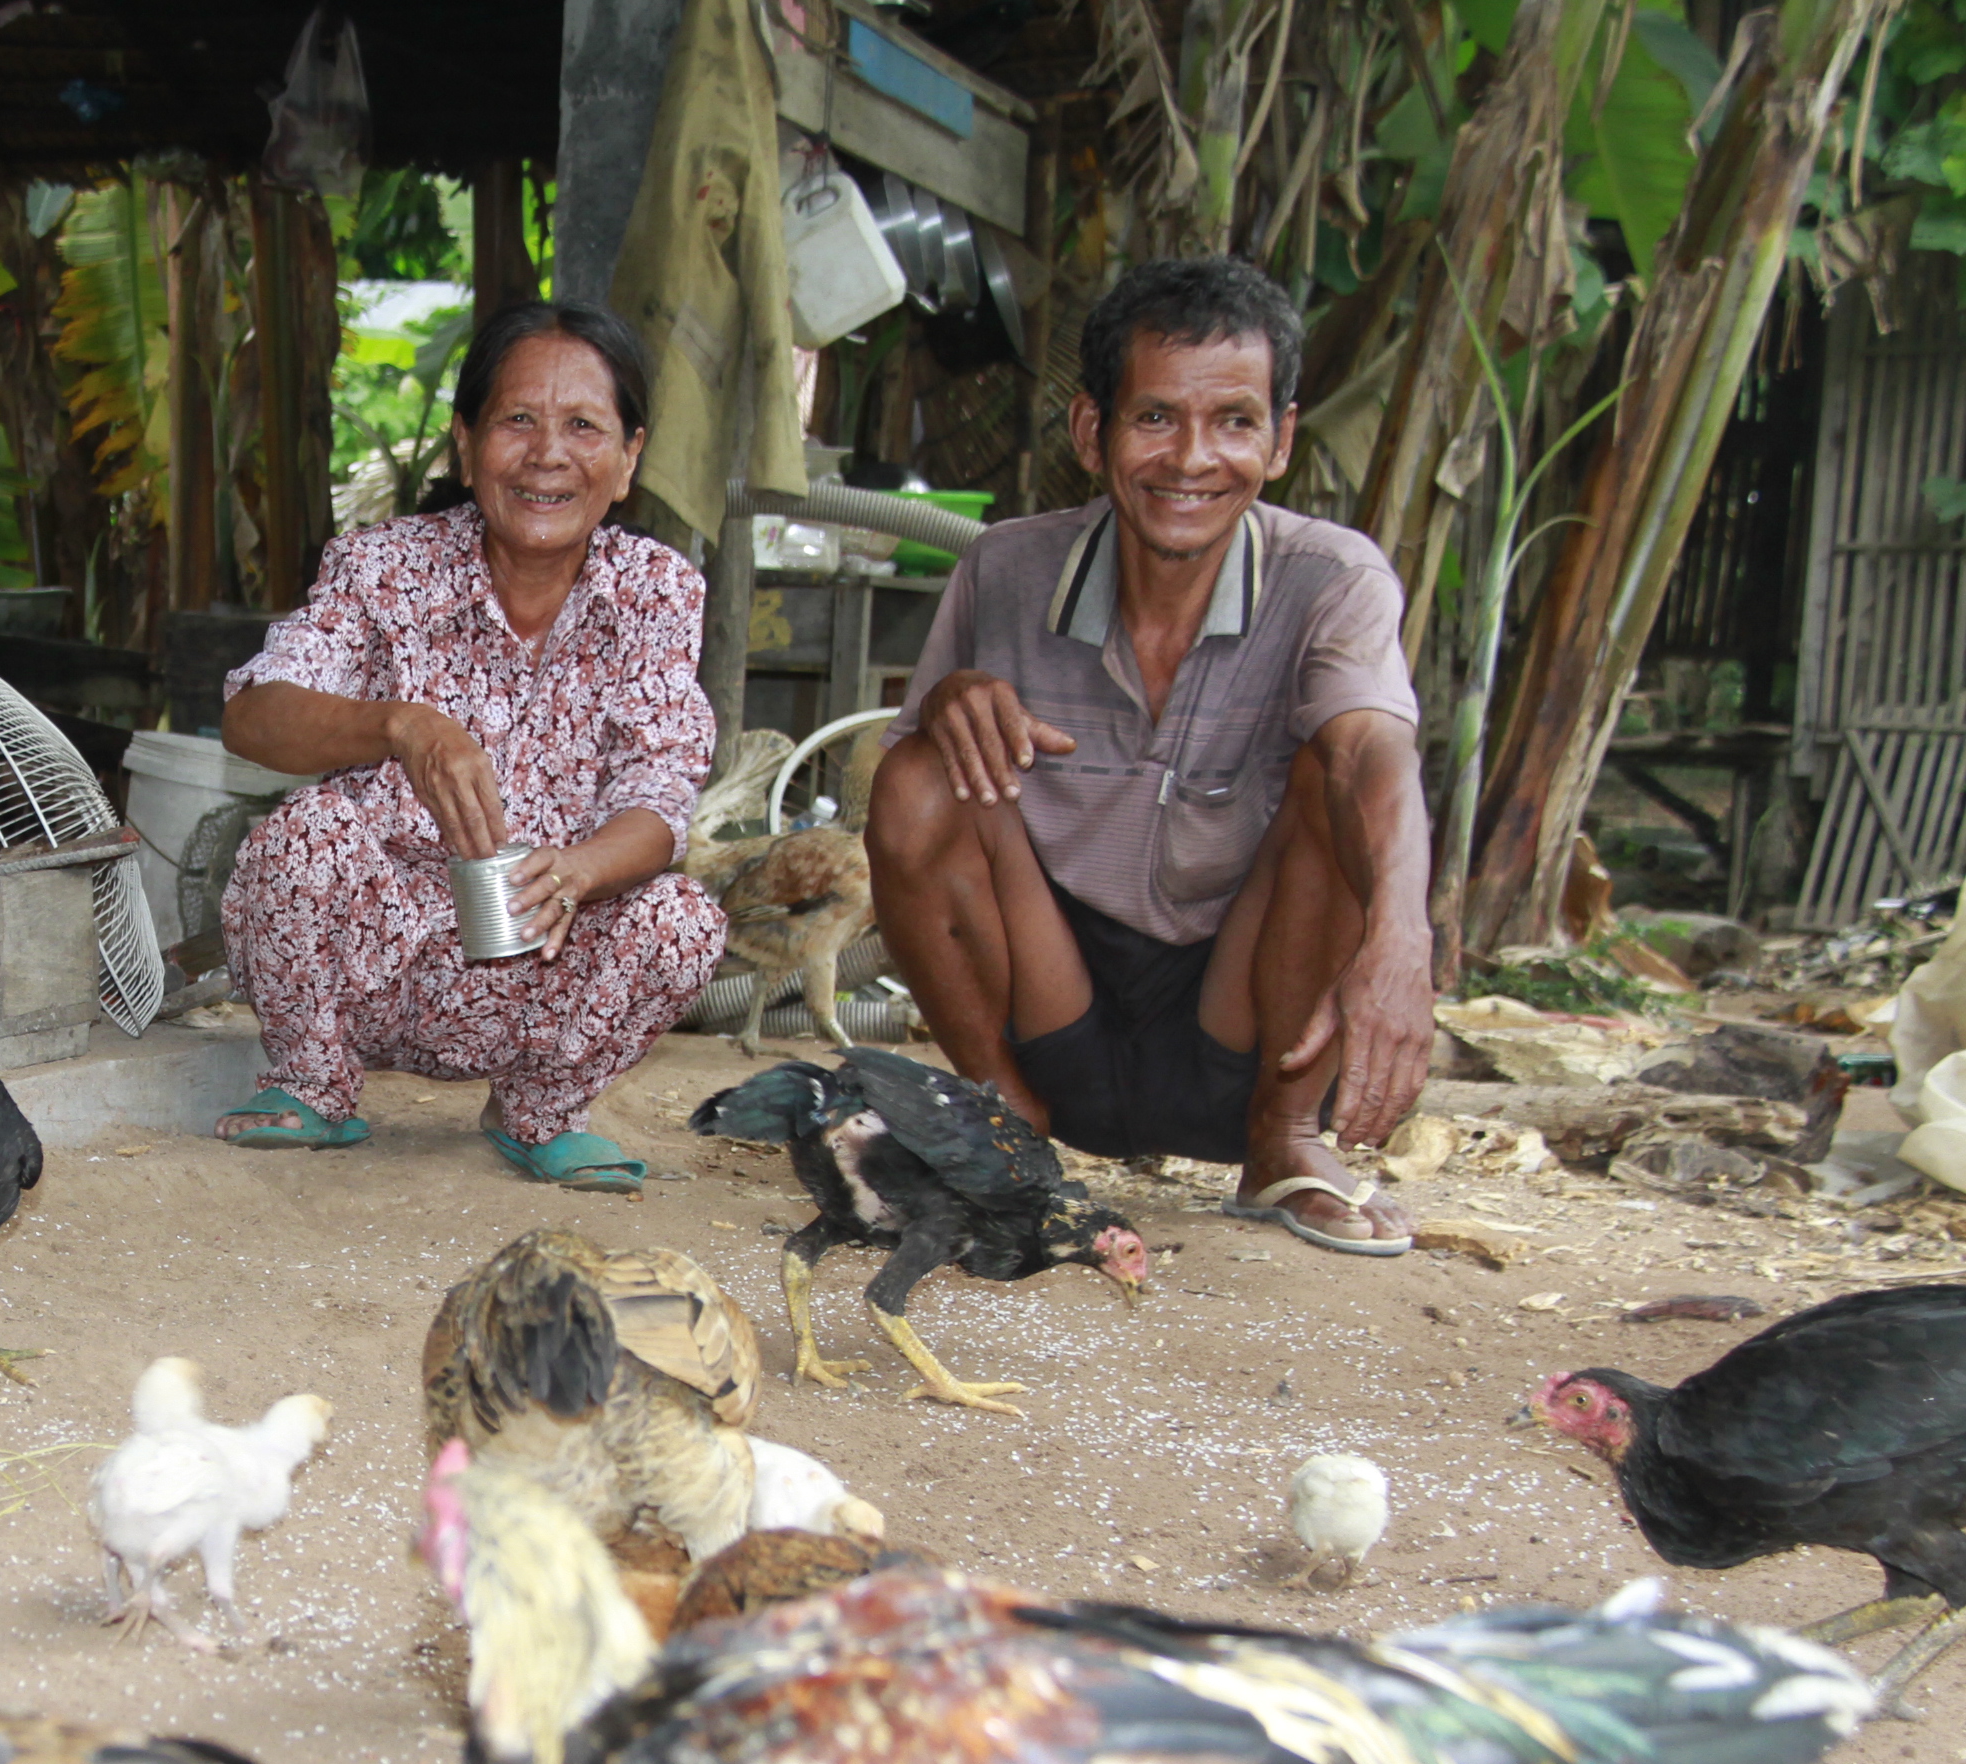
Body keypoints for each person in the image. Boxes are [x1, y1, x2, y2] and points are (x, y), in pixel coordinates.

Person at [864, 255, 1433, 1253]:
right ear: (1093, 432)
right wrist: (951, 708)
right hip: (1058, 1009)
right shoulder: (1004, 569)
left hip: (1247, 1026)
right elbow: (911, 829)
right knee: (919, 774)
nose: (1193, 459)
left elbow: (1371, 760)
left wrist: (1402, 936)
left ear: (1282, 440)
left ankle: (1286, 1143)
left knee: (1333, 773)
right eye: (1157, 417)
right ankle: (1005, 1128)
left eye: (1236, 422)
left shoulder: (1333, 579)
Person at [212, 299, 729, 1192]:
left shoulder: (656, 591)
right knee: (300, 834)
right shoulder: (384, 567)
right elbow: (252, 716)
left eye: (583, 426)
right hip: (377, 962)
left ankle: (540, 1111)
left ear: (629, 457)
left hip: (541, 958)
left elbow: (661, 795)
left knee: (682, 921)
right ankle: (312, 1081)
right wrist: (399, 725)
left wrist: (579, 871)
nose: (547, 454)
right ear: (466, 442)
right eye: (517, 420)